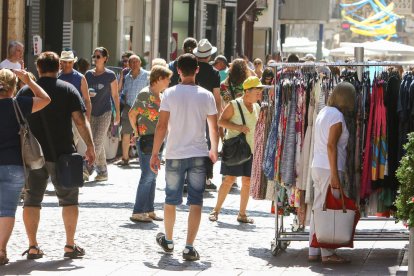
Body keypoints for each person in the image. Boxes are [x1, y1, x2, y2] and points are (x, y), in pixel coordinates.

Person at [19, 51, 95, 260]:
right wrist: (90, 146)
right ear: (59, 67)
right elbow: (80, 121)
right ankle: (70, 245)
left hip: (33, 155)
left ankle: (33, 246)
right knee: (69, 200)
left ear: (38, 68)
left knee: (31, 201)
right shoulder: (68, 89)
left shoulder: (25, 91)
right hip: (63, 153)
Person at [150, 53, 219, 261]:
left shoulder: (169, 94)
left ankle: (169, 240)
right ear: (197, 69)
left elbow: (161, 126)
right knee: (196, 201)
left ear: (178, 70)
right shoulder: (206, 95)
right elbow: (213, 128)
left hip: (174, 153)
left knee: (171, 199)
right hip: (198, 153)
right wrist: (214, 149)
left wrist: (155, 153)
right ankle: (189, 246)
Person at [0, 68, 50, 266]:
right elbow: (45, 99)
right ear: (14, 87)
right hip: (14, 165)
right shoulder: (18, 105)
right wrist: (28, 80)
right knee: (6, 210)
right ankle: (1, 250)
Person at [309, 82, 356, 264]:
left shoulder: (324, 111)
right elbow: (331, 146)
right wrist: (335, 174)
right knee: (327, 209)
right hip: (330, 167)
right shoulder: (337, 116)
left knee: (319, 208)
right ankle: (327, 253)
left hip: (318, 166)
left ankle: (314, 250)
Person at [209, 76, 263, 224]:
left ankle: (242, 214)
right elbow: (221, 121)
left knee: (247, 181)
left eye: (260, 91)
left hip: (250, 150)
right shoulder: (234, 104)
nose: (260, 94)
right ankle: (215, 210)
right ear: (247, 92)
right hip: (235, 149)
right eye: (257, 91)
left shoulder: (257, 106)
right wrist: (238, 128)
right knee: (229, 180)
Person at [128, 65, 172, 222]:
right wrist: (137, 132)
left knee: (152, 175)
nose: (169, 82)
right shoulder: (145, 94)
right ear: (159, 78)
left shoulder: (159, 94)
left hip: (157, 139)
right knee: (147, 175)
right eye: (167, 79)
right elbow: (132, 114)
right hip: (147, 138)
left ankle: (149, 209)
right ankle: (138, 211)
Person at [84, 47, 120, 181]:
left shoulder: (110, 75)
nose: (95, 59)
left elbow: (115, 96)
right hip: (91, 112)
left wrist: (117, 115)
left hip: (105, 112)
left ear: (105, 59)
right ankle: (103, 172)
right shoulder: (88, 74)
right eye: (94, 56)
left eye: (98, 56)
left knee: (96, 142)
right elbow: (84, 93)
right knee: (95, 141)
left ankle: (86, 169)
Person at [193, 38, 222, 191]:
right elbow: (217, 98)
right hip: (208, 111)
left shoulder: (193, 69)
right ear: (209, 56)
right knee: (208, 143)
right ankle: (206, 178)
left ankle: (190, 176)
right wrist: (218, 117)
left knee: (192, 140)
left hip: (191, 110)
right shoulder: (214, 73)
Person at [116, 55, 149, 166]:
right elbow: (122, 92)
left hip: (143, 108)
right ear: (129, 64)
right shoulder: (127, 77)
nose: (134, 64)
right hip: (128, 108)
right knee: (125, 132)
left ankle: (143, 159)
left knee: (143, 134)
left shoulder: (147, 75)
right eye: (131, 62)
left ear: (140, 63)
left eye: (136, 62)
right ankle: (125, 158)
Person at [58, 50, 92, 121]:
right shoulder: (56, 77)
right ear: (60, 62)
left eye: (70, 62)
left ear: (74, 62)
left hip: (76, 116)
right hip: (60, 115)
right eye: (65, 62)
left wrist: (87, 117)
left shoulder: (81, 78)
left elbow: (87, 100)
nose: (67, 65)